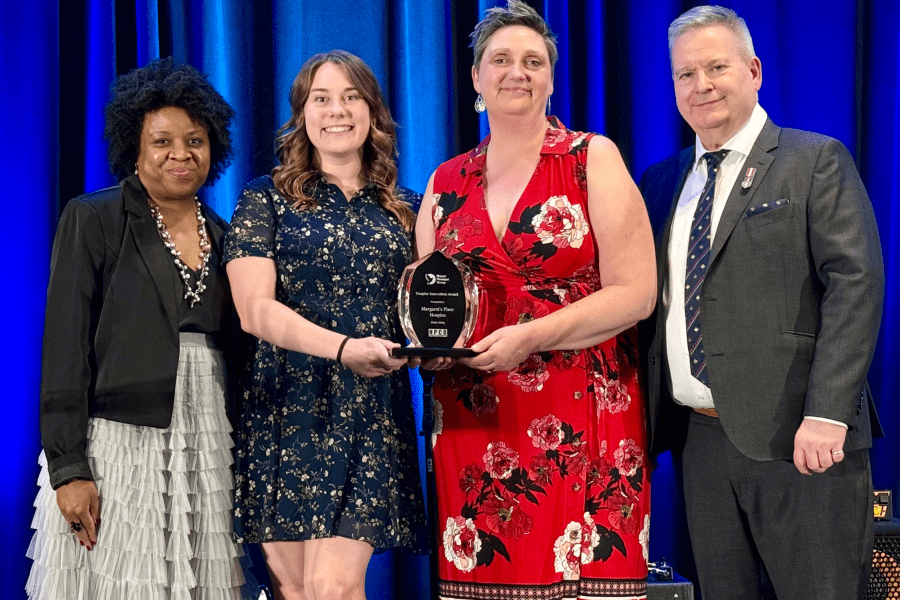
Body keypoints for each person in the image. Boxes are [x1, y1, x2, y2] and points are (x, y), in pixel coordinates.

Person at [640, 6, 884, 599]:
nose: (701, 86)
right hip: (701, 443)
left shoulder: (814, 160)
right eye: (685, 74)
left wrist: (828, 412)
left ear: (753, 70)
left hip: (802, 439)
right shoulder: (661, 180)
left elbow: (856, 282)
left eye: (716, 67)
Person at [415, 2, 657, 597]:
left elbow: (637, 293)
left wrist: (532, 336)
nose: (516, 72)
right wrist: (432, 353)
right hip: (475, 422)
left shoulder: (589, 157)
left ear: (551, 77)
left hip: (581, 415)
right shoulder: (446, 181)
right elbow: (428, 301)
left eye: (533, 61)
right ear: (476, 77)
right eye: (500, 60)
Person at [27, 58, 251, 599]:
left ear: (214, 148)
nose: (181, 154)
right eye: (162, 141)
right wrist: (68, 468)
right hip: (118, 446)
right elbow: (64, 346)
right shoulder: (93, 217)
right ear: (135, 147)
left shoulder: (229, 236)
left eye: (195, 140)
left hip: (206, 442)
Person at [223, 50, 429, 600]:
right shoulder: (263, 198)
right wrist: (342, 348)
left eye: (350, 97)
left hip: (366, 411)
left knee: (332, 587)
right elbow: (254, 311)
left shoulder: (409, 209)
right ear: (303, 114)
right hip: (281, 410)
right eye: (321, 98)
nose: (336, 111)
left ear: (373, 113)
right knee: (294, 591)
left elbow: (433, 312)